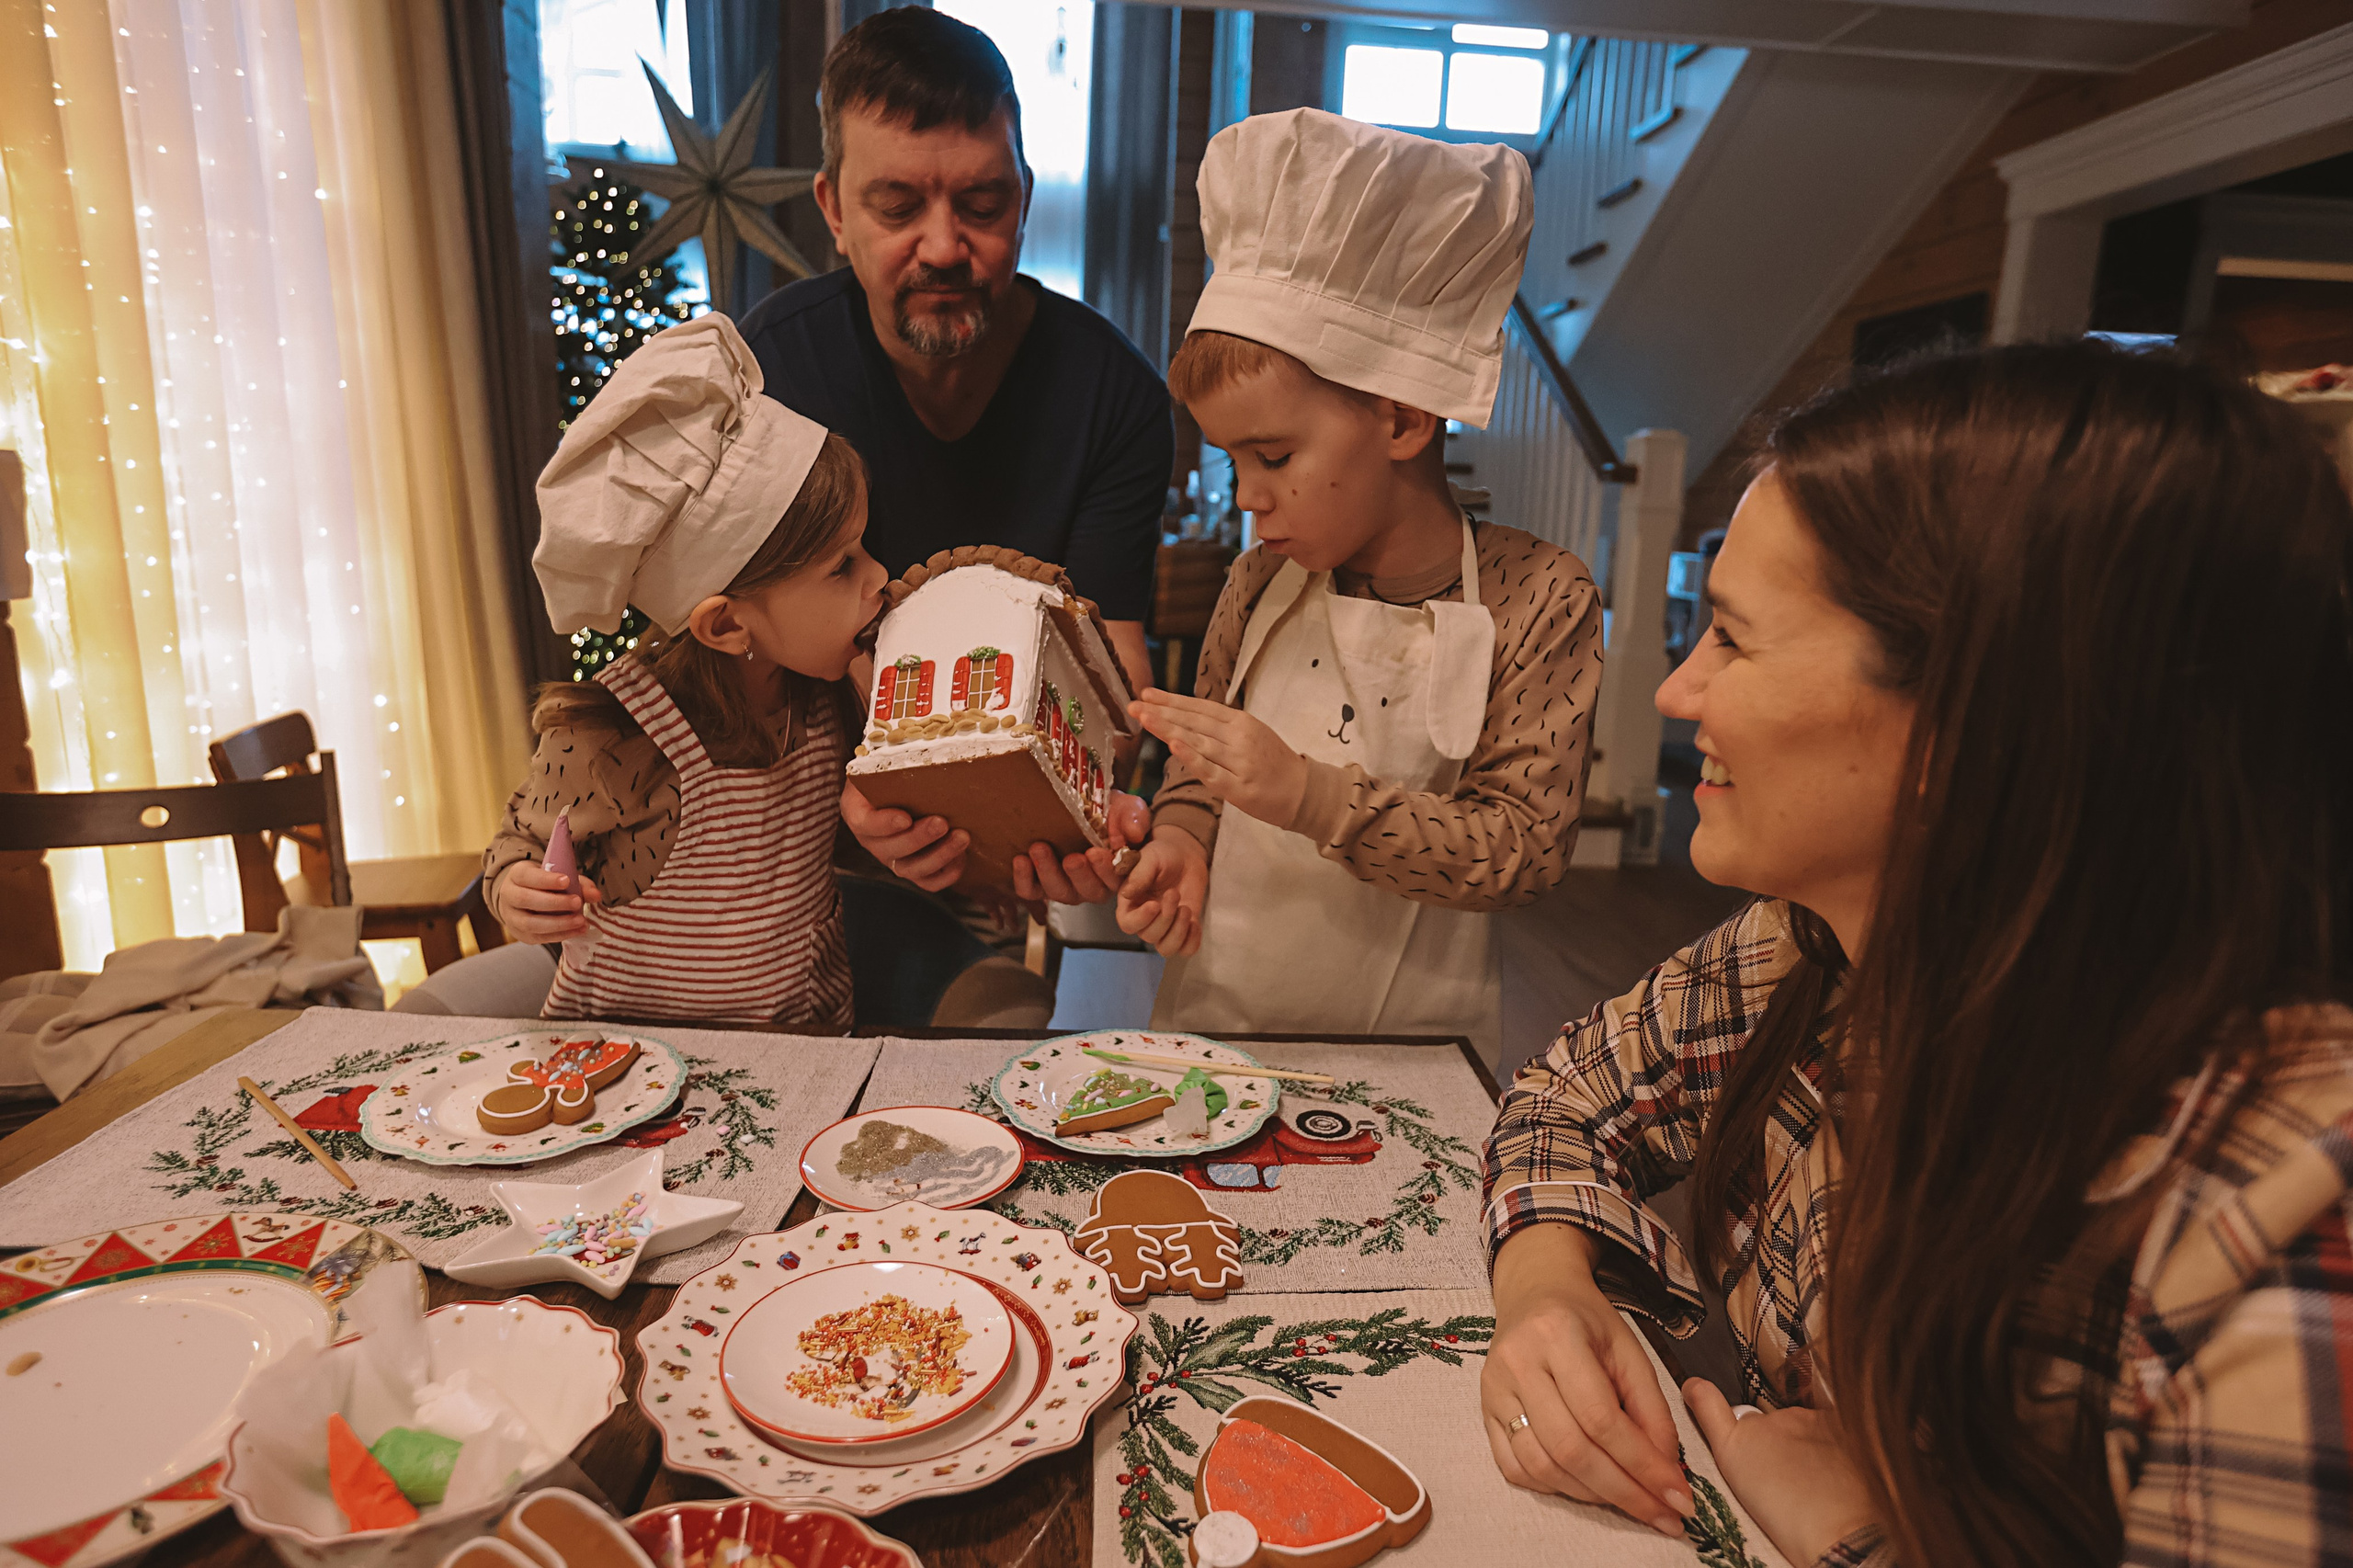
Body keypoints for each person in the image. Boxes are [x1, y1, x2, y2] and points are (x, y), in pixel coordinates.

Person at [1479, 341, 2353, 1567]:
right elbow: (1567, 1094)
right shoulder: (1820, 942)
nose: (1680, 693)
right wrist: (1547, 1277)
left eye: (1730, 637)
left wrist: (1862, 1533)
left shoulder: (2277, 1223)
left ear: (1973, 720)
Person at [1110, 109, 1602, 1065]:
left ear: (1402, 416)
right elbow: (1200, 768)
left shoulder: (1538, 595)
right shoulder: (1256, 581)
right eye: (1230, 462)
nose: (1248, 498)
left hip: (1416, 1056)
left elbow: (1522, 849)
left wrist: (1309, 795)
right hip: (1219, 1033)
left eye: (1274, 455)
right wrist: (1179, 834)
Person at [737, 7, 1167, 909]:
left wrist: (1077, 786)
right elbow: (745, 651)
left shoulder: (1113, 392)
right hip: (792, 850)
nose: (942, 246)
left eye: (982, 206)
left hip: (1020, 852)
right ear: (833, 212)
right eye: (896, 207)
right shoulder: (771, 368)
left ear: (1024, 197)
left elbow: (1114, 662)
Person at [443, 312, 888, 1028]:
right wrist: (518, 890)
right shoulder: (610, 739)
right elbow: (517, 845)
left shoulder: (826, 701)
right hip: (632, 1074)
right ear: (725, 624)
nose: (880, 577)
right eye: (844, 567)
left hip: (805, 1052)